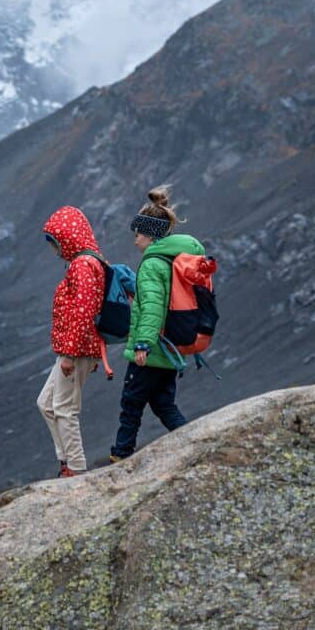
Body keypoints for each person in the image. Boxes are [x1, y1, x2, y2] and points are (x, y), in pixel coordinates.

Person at [109, 186, 203, 463]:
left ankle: (121, 455)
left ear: (149, 235)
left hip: (151, 351)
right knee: (164, 404)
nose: (135, 240)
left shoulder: (151, 265)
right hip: (169, 349)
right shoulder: (170, 262)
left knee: (131, 403)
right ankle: (193, 442)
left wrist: (142, 344)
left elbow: (151, 307)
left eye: (137, 234)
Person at [37, 206, 106, 477]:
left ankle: (75, 468)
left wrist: (70, 353)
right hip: (77, 349)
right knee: (46, 403)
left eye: (55, 242)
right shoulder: (89, 262)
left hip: (75, 351)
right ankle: (66, 460)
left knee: (64, 409)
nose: (54, 249)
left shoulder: (82, 265)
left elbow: (83, 310)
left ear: (66, 239)